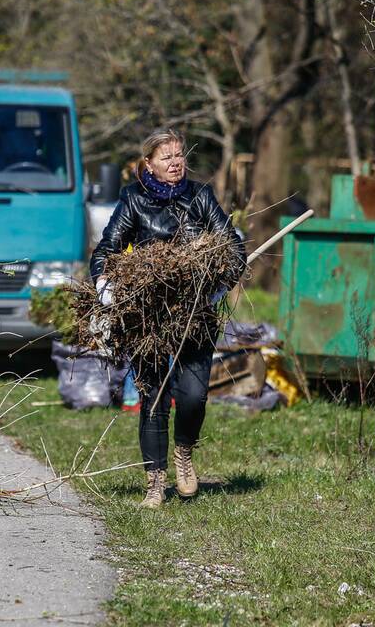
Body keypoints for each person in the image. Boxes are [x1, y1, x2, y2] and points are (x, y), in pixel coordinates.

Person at [89, 128, 246, 508]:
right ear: (148, 164)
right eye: (166, 157)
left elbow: (234, 248)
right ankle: (155, 483)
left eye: (179, 155)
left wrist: (217, 287)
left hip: (195, 312)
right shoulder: (133, 200)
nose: (176, 163)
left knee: (192, 396)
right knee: (154, 396)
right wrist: (105, 286)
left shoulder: (200, 196)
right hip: (149, 316)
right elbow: (105, 250)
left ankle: (184, 453)